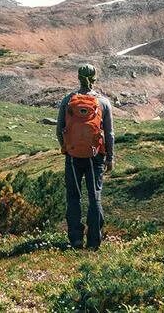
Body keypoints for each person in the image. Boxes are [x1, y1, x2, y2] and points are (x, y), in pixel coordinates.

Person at [56, 63, 114, 250]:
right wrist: (110, 157)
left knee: (74, 197)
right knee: (94, 196)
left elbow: (59, 130)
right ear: (95, 78)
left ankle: (75, 239)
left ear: (78, 77)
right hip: (95, 157)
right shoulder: (103, 102)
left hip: (72, 157)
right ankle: (94, 241)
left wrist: (66, 148)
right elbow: (110, 133)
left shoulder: (68, 100)